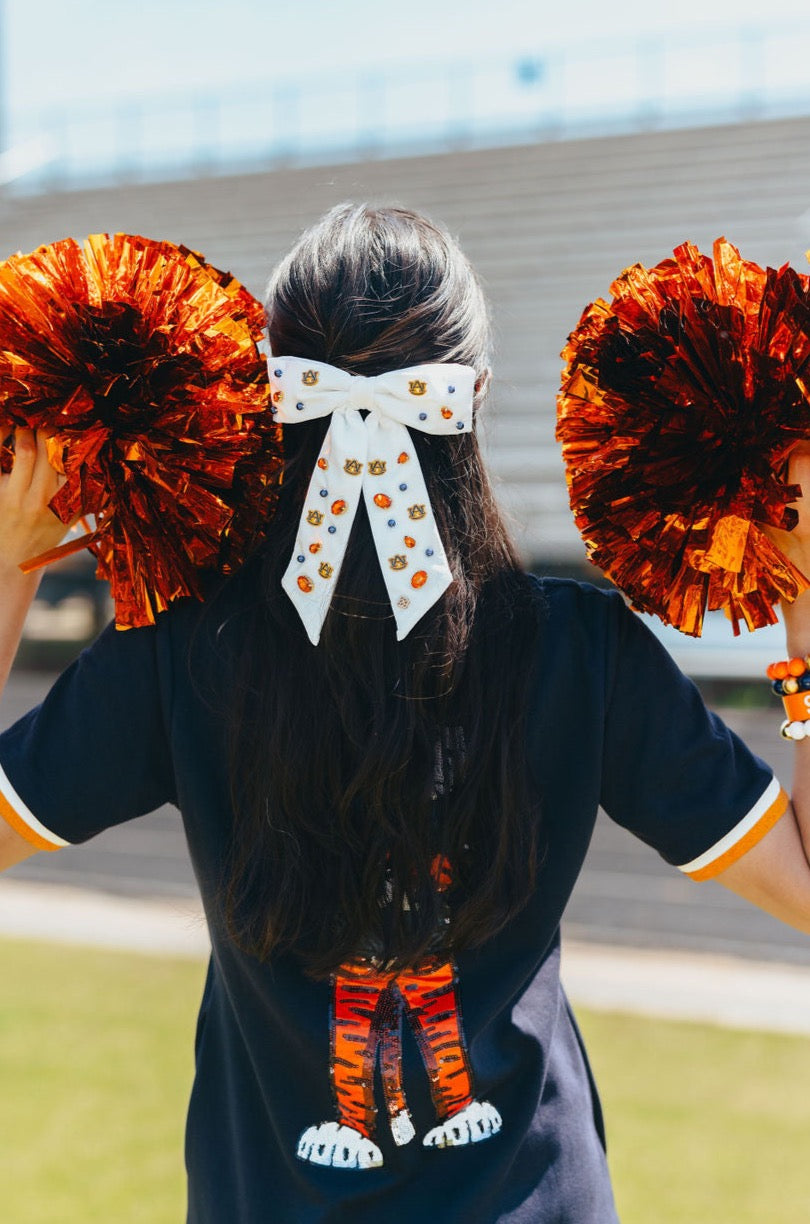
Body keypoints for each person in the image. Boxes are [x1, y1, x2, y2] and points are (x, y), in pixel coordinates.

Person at [1, 202, 810, 1224]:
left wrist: (7, 569)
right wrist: (801, 611)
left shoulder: (181, 648)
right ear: (468, 400)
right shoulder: (581, 650)